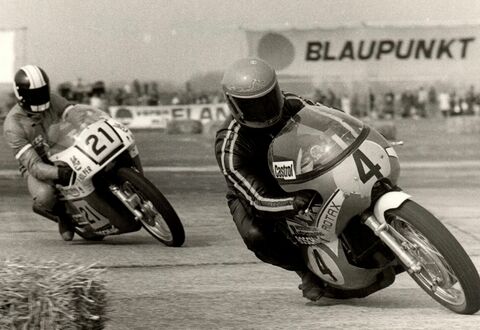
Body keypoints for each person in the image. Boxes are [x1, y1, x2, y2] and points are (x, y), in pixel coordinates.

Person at [215, 57, 327, 302]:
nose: (264, 110)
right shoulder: (230, 143)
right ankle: (305, 271)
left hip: (301, 170)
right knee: (256, 235)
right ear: (234, 105)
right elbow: (256, 201)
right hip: (257, 190)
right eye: (253, 105)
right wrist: (291, 203)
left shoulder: (295, 103)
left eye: (267, 99)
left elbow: (332, 119)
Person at [3, 65, 108, 241]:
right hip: (37, 164)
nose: (40, 98)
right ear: (20, 95)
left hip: (62, 148)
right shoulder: (12, 126)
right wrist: (60, 173)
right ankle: (62, 214)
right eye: (33, 95)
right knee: (45, 196)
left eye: (42, 92)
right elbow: (35, 166)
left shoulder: (52, 99)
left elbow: (73, 113)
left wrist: (85, 127)